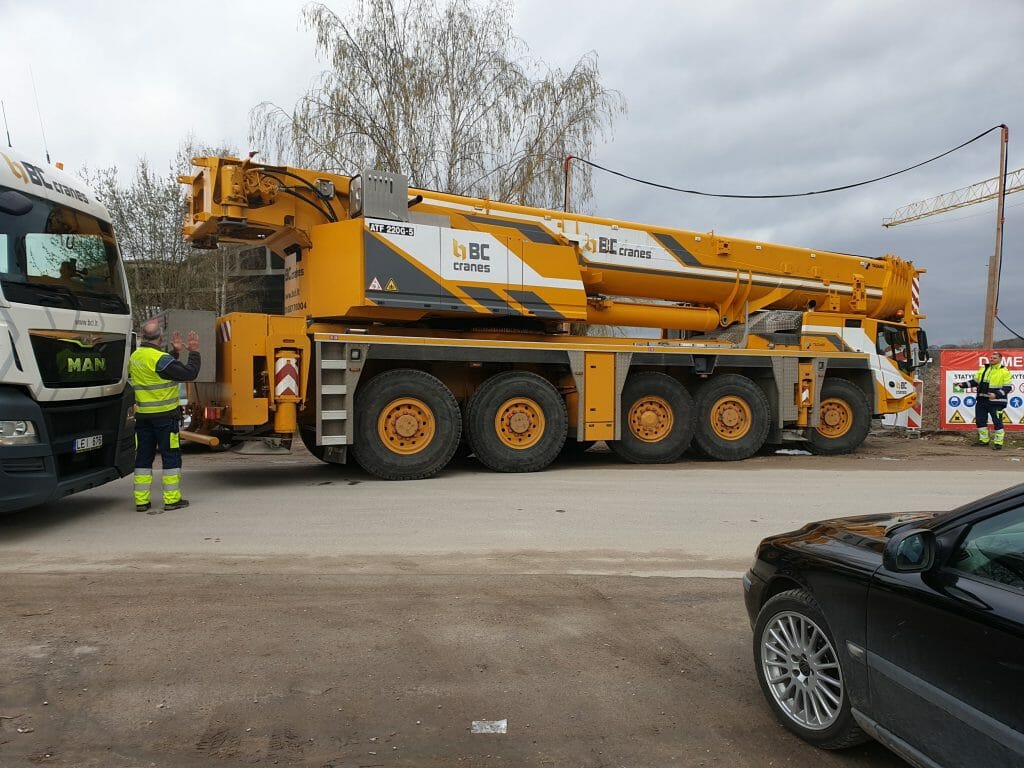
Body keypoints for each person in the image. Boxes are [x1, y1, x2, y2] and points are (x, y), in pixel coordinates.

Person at [129, 319, 201, 512]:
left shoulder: (136, 356)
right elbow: (189, 373)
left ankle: (141, 501)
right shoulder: (160, 359)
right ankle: (171, 500)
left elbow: (158, 371)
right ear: (160, 338)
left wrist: (175, 353)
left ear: (143, 337)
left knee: (143, 459)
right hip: (165, 419)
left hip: (143, 417)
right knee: (171, 458)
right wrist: (193, 351)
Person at [965, 351, 1012, 450]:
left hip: (996, 402)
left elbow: (1007, 388)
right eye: (991, 357)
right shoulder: (983, 368)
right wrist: (963, 385)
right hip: (982, 400)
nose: (992, 359)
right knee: (980, 421)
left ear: (1000, 359)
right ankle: (984, 441)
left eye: (994, 358)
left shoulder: (1004, 371)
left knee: (997, 422)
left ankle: (998, 443)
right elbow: (975, 381)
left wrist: (996, 394)